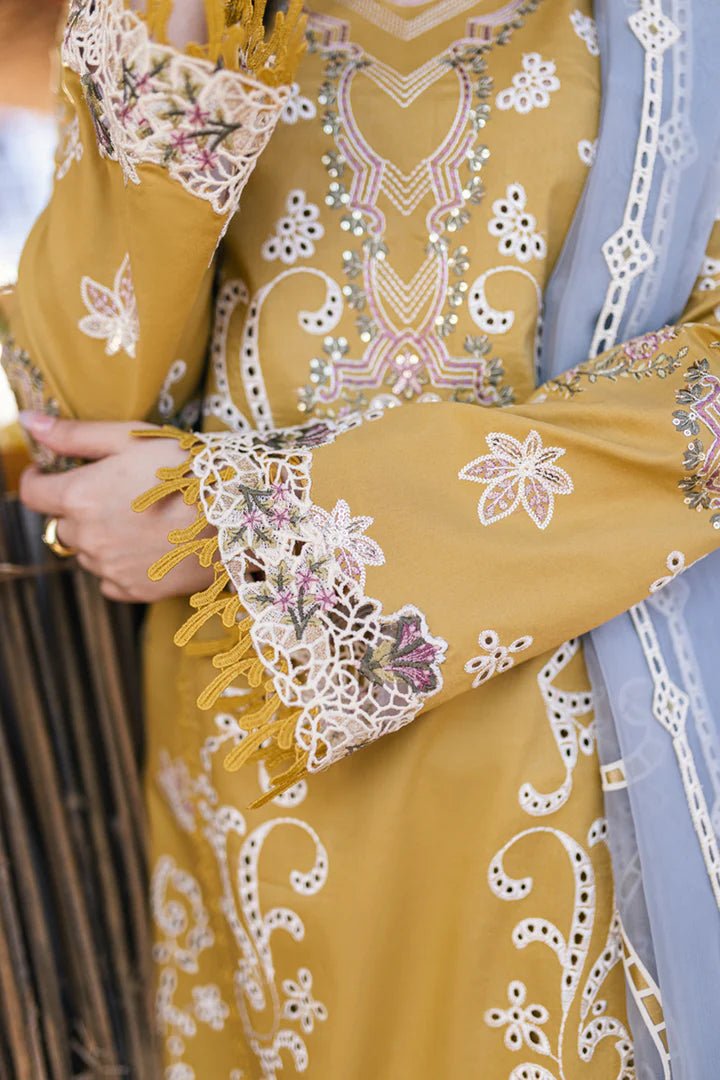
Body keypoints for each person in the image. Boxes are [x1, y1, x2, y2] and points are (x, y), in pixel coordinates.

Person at [3, 0, 720, 1076]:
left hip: (588, 769)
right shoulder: (174, 14)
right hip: (261, 785)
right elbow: (80, 403)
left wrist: (262, 525)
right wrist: (182, 35)